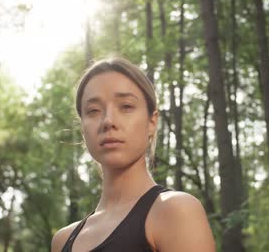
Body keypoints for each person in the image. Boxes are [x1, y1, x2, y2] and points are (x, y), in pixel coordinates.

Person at [50, 58, 216, 252]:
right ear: (82, 129)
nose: (108, 120)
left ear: (152, 122)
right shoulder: (62, 241)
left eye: (126, 106)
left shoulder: (176, 211)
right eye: (93, 110)